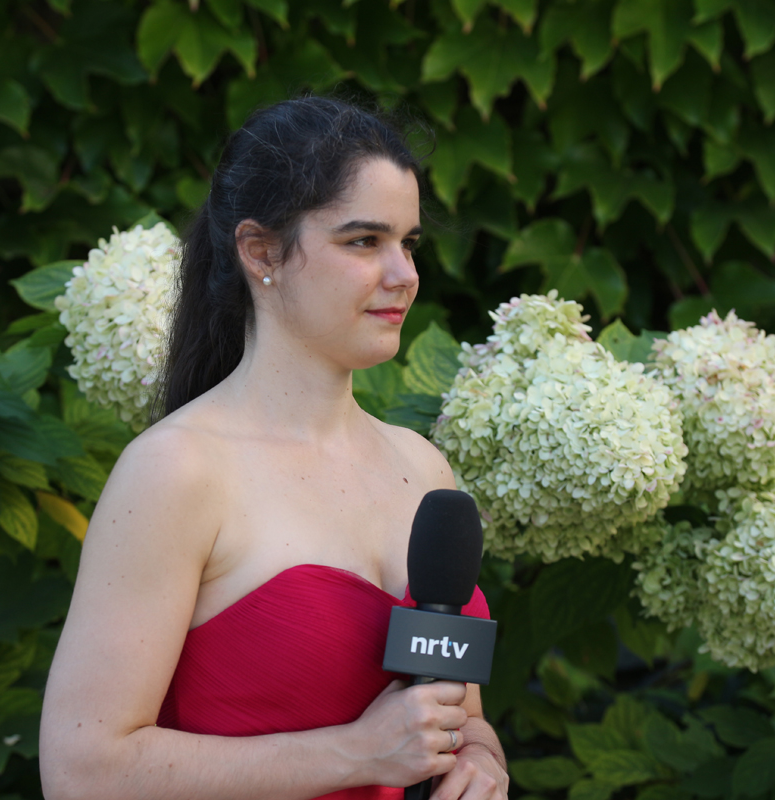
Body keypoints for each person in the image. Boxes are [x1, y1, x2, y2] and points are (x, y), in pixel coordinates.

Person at [39, 96, 509, 800]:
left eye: (408, 243)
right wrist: (353, 755)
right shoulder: (178, 472)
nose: (404, 274)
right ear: (261, 251)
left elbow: (456, 718)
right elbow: (82, 771)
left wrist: (481, 758)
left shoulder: (422, 467)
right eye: (364, 241)